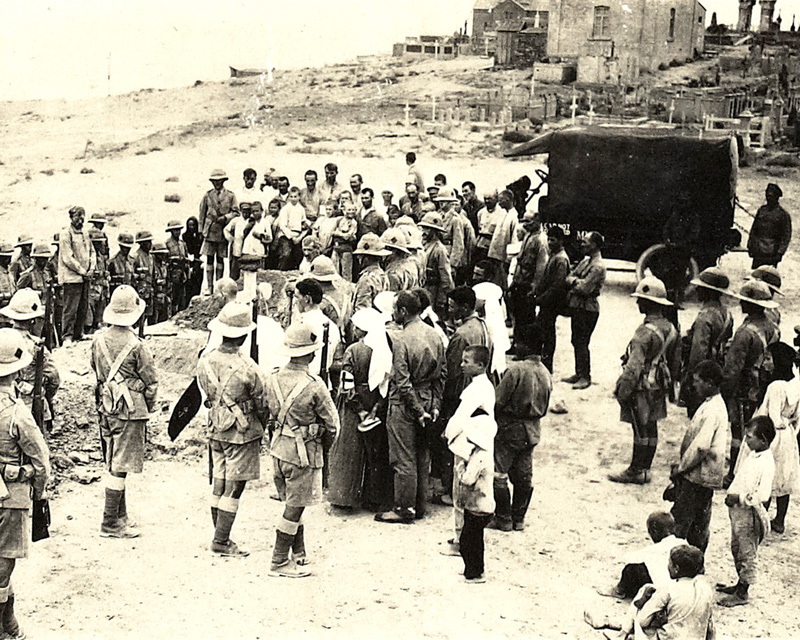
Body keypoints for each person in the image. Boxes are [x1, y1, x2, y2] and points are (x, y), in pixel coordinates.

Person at [266, 321, 339, 577]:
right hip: (303, 454)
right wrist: (323, 448)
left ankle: (298, 551)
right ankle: (278, 560)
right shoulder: (314, 385)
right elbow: (333, 426)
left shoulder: (272, 377)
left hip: (278, 450)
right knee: (294, 507)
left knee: (293, 502)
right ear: (310, 353)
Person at [197, 302, 267, 557]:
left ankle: (220, 534)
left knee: (219, 482)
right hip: (241, 431)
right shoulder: (249, 368)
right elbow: (262, 402)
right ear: (245, 334)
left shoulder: (205, 361)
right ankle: (222, 541)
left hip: (216, 426)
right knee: (234, 487)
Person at [91, 285, 158, 538]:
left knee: (113, 462)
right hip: (130, 410)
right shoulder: (137, 346)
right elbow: (151, 383)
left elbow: (96, 372)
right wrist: (146, 404)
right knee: (119, 466)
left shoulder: (98, 339)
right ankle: (110, 523)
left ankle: (120, 516)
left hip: (106, 405)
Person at [375, 290, 446, 524]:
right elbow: (441, 375)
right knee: (422, 455)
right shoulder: (434, 335)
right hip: (427, 399)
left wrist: (418, 411)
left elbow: (402, 383)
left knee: (403, 458)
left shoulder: (401, 339)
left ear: (403, 311)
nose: (393, 313)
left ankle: (404, 508)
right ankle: (420, 505)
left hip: (405, 405)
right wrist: (433, 406)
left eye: (395, 309)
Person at [0, 327, 50, 640]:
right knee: (3, 567)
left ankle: (9, 625)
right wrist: (40, 491)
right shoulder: (18, 413)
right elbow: (41, 462)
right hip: (11, 499)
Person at [611, 276, 678, 484]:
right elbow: (676, 360)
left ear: (649, 303)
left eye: (641, 299)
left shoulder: (644, 332)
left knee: (639, 428)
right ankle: (646, 469)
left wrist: (622, 391)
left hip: (642, 385)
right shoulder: (671, 327)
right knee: (651, 427)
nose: (638, 302)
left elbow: (633, 368)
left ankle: (635, 470)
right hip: (660, 383)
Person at [328, 308, 392, 510]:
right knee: (373, 453)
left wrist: (358, 407)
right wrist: (374, 407)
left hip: (354, 404)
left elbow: (347, 383)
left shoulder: (354, 350)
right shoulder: (383, 349)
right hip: (374, 401)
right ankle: (372, 498)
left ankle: (344, 497)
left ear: (360, 329)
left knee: (348, 450)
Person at [434, 287, 492, 506]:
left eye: (452, 306)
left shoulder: (462, 334)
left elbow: (450, 370)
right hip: (478, 388)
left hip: (460, 392)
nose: (449, 310)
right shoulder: (483, 326)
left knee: (454, 440)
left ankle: (451, 489)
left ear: (465, 307)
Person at [491, 323, 551, 531]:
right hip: (533, 429)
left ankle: (503, 517)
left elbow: (498, 401)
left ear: (525, 345)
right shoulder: (545, 372)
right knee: (524, 475)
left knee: (499, 473)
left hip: (510, 428)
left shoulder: (515, 371)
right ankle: (519, 519)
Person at [443, 345, 496, 582]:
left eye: (467, 361)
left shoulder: (477, 389)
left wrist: (448, 433)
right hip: (473, 441)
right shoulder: (481, 386)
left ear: (481, 365)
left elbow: (461, 418)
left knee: (461, 494)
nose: (462, 365)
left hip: (469, 445)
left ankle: (458, 539)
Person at [721, 280, 779, 487]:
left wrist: (725, 392)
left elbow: (733, 368)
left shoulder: (745, 333)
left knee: (740, 431)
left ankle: (733, 475)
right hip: (763, 386)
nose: (741, 304)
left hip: (744, 388)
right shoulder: (771, 327)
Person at [668, 360, 728, 552]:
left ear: (709, 383)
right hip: (705, 477)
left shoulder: (712, 410)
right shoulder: (714, 405)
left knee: (680, 521)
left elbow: (701, 447)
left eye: (697, 381)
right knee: (699, 523)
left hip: (697, 475)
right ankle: (696, 562)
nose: (694, 385)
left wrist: (681, 468)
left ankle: (674, 560)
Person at [717, 415, 776, 607]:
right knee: (737, 547)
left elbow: (763, 495)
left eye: (750, 437)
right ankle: (739, 583)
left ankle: (743, 593)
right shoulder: (753, 454)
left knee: (747, 551)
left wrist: (739, 498)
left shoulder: (767, 462)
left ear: (763, 440)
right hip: (738, 512)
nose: (746, 440)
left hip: (749, 514)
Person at [611, 545, 715, 640]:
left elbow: (642, 621)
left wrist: (646, 604)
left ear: (676, 569)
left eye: (669, 563)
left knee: (645, 591)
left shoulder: (668, 589)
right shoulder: (706, 589)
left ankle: (622, 634)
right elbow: (710, 626)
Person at [752, 342, 800, 535]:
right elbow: (797, 416)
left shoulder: (774, 386)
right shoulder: (795, 384)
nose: (765, 363)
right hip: (787, 434)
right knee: (783, 477)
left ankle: (761, 518)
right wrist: (789, 426)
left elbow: (770, 417)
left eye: (769, 358)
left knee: (767, 476)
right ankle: (780, 519)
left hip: (771, 435)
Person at [0, 289, 61, 435]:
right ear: (33, 320)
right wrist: (46, 394)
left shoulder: (2, 341)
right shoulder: (37, 347)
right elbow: (54, 378)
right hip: (30, 404)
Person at [680, 268, 733, 417]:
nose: (696, 289)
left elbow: (698, 353)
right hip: (716, 370)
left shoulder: (705, 317)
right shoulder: (727, 314)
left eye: (701, 287)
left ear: (708, 291)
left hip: (702, 374)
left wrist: (691, 381)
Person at [600, 512, 683, 600]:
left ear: (653, 531)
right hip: (682, 590)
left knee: (631, 568)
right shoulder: (682, 543)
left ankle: (619, 591)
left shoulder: (651, 550)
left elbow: (628, 559)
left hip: (662, 592)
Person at [563, 231, 606, 390]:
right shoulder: (586, 262)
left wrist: (573, 281)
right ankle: (579, 373)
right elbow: (570, 276)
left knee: (582, 342)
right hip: (578, 306)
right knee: (576, 340)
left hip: (588, 308)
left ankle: (585, 376)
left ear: (594, 245)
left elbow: (584, 288)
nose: (582, 245)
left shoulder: (598, 266)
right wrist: (575, 281)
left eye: (585, 243)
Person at [534, 226, 569, 373]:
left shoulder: (560, 259)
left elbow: (557, 286)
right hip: (548, 301)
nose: (549, 242)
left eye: (553, 240)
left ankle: (547, 365)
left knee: (548, 334)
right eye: (549, 239)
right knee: (544, 331)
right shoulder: (554, 255)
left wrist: (541, 299)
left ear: (561, 241)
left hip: (552, 303)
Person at [59, 206, 96, 346]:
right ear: (71, 217)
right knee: (70, 308)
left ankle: (79, 333)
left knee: (83, 306)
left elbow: (92, 252)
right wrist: (82, 271)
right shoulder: (65, 234)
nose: (80, 219)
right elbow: (67, 258)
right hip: (72, 278)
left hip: (85, 277)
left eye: (82, 216)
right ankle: (67, 337)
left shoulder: (85, 234)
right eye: (77, 216)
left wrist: (91, 268)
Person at [509, 212, 547, 344]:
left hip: (527, 285)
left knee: (526, 317)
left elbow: (540, 267)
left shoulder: (541, 240)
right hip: (520, 281)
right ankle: (517, 342)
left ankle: (524, 346)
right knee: (518, 316)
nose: (525, 224)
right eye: (524, 221)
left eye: (529, 221)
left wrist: (534, 287)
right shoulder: (528, 235)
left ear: (537, 220)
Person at [198, 169, 238, 295]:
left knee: (220, 260)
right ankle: (209, 287)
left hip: (222, 231)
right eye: (214, 181)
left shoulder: (230, 196)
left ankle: (218, 287)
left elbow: (236, 212)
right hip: (210, 231)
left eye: (219, 181)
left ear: (223, 181)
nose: (217, 183)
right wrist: (201, 230)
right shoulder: (207, 195)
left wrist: (225, 218)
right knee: (209, 259)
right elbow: (202, 213)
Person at [747, 183, 792, 268]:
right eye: (767, 195)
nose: (768, 198)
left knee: (768, 276)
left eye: (771, 196)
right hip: (758, 251)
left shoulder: (783, 215)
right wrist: (750, 245)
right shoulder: (762, 210)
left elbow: (786, 236)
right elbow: (754, 230)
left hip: (772, 253)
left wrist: (780, 253)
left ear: (777, 197)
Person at [419, 212, 453, 320]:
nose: (424, 232)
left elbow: (445, 277)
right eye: (423, 228)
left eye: (427, 229)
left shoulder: (439, 249)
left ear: (434, 231)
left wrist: (442, 299)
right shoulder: (422, 244)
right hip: (422, 286)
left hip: (433, 289)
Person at [351, 234, 390, 313]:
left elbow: (362, 310)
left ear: (367, 258)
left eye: (360, 256)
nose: (358, 258)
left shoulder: (366, 279)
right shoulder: (383, 275)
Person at [487, 190, 519, 286]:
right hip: (495, 256)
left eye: (501, 200)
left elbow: (514, 239)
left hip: (504, 258)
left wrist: (508, 259)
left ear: (508, 200)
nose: (498, 202)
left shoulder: (514, 217)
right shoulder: (503, 214)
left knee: (502, 282)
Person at [275, 187, 308, 270]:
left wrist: (300, 234)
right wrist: (291, 236)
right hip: (286, 235)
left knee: (299, 255)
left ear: (299, 197)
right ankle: (281, 271)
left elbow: (303, 222)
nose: (293, 199)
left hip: (297, 235)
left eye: (295, 196)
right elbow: (282, 226)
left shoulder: (301, 209)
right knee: (286, 254)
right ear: (288, 197)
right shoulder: (285, 209)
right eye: (291, 196)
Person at [85, 228, 110, 335]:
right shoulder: (87, 256)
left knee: (99, 320)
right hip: (91, 291)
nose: (101, 245)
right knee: (88, 319)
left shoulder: (101, 257)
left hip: (101, 292)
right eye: (98, 243)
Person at [223, 201, 252, 282]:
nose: (246, 213)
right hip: (237, 247)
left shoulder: (252, 221)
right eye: (244, 211)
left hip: (248, 248)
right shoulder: (236, 220)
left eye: (248, 211)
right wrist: (231, 238)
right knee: (234, 270)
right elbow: (226, 229)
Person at [166, 220, 190, 314]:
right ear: (171, 231)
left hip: (182, 273)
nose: (177, 232)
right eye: (175, 230)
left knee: (182, 296)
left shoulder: (182, 243)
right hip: (173, 273)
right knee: (172, 296)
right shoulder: (167, 244)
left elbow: (186, 256)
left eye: (179, 230)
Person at [132, 231, 155, 326]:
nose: (150, 244)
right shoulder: (135, 256)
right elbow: (131, 274)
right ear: (141, 243)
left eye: (150, 242)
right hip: (139, 290)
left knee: (148, 313)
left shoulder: (150, 257)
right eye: (147, 242)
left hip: (149, 289)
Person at [331, 203, 359, 282]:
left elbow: (348, 236)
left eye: (353, 210)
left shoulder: (354, 222)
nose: (351, 212)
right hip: (336, 247)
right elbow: (332, 232)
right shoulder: (339, 220)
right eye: (349, 210)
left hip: (346, 248)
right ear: (344, 210)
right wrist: (342, 233)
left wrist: (339, 233)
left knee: (346, 272)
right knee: (334, 270)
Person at [182, 217, 204, 299]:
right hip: (189, 260)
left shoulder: (200, 236)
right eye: (190, 225)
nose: (192, 227)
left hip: (198, 261)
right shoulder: (185, 236)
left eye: (193, 225)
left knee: (198, 280)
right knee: (189, 282)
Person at [150, 241, 170, 324]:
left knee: (164, 319)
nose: (162, 256)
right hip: (155, 297)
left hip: (164, 296)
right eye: (160, 254)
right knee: (154, 320)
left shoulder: (164, 265)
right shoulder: (152, 265)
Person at [0, 246, 14, 317]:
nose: (8, 260)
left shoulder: (9, 273)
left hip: (10, 312)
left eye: (9, 257)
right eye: (5, 257)